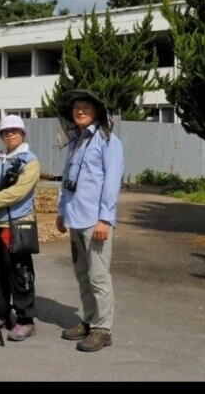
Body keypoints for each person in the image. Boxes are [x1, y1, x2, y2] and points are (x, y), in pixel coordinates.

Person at [55, 89, 124, 352]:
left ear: (96, 112)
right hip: (75, 219)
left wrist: (105, 218)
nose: (80, 111)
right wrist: (61, 211)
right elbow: (66, 180)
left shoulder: (108, 141)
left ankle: (102, 328)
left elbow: (111, 181)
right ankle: (88, 320)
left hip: (96, 221)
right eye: (76, 108)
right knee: (83, 275)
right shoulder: (75, 142)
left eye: (86, 107)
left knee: (98, 276)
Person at [0, 115, 41, 342]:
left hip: (17, 225)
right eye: (5, 131)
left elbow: (19, 192)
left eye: (14, 130)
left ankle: (25, 319)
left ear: (23, 133)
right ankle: (0, 313)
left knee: (20, 274)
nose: (10, 134)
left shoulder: (30, 161)